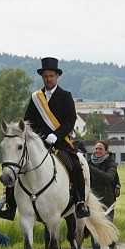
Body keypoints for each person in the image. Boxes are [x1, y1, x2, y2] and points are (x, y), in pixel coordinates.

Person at [21, 56, 89, 218]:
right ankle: (10, 204)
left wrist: (56, 135)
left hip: (60, 143)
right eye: (45, 76)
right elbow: (28, 121)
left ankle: (80, 202)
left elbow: (70, 120)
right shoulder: (36, 98)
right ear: (42, 78)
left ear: (57, 76)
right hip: (39, 143)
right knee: (18, 165)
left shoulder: (65, 95)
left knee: (75, 165)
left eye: (51, 76)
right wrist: (38, 136)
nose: (48, 79)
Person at [87, 140, 119, 249]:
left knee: (107, 227)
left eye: (100, 149)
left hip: (107, 200)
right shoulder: (89, 163)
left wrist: (91, 169)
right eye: (96, 149)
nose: (97, 151)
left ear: (106, 151)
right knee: (94, 227)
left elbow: (108, 178)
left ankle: (112, 246)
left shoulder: (111, 164)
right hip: (93, 201)